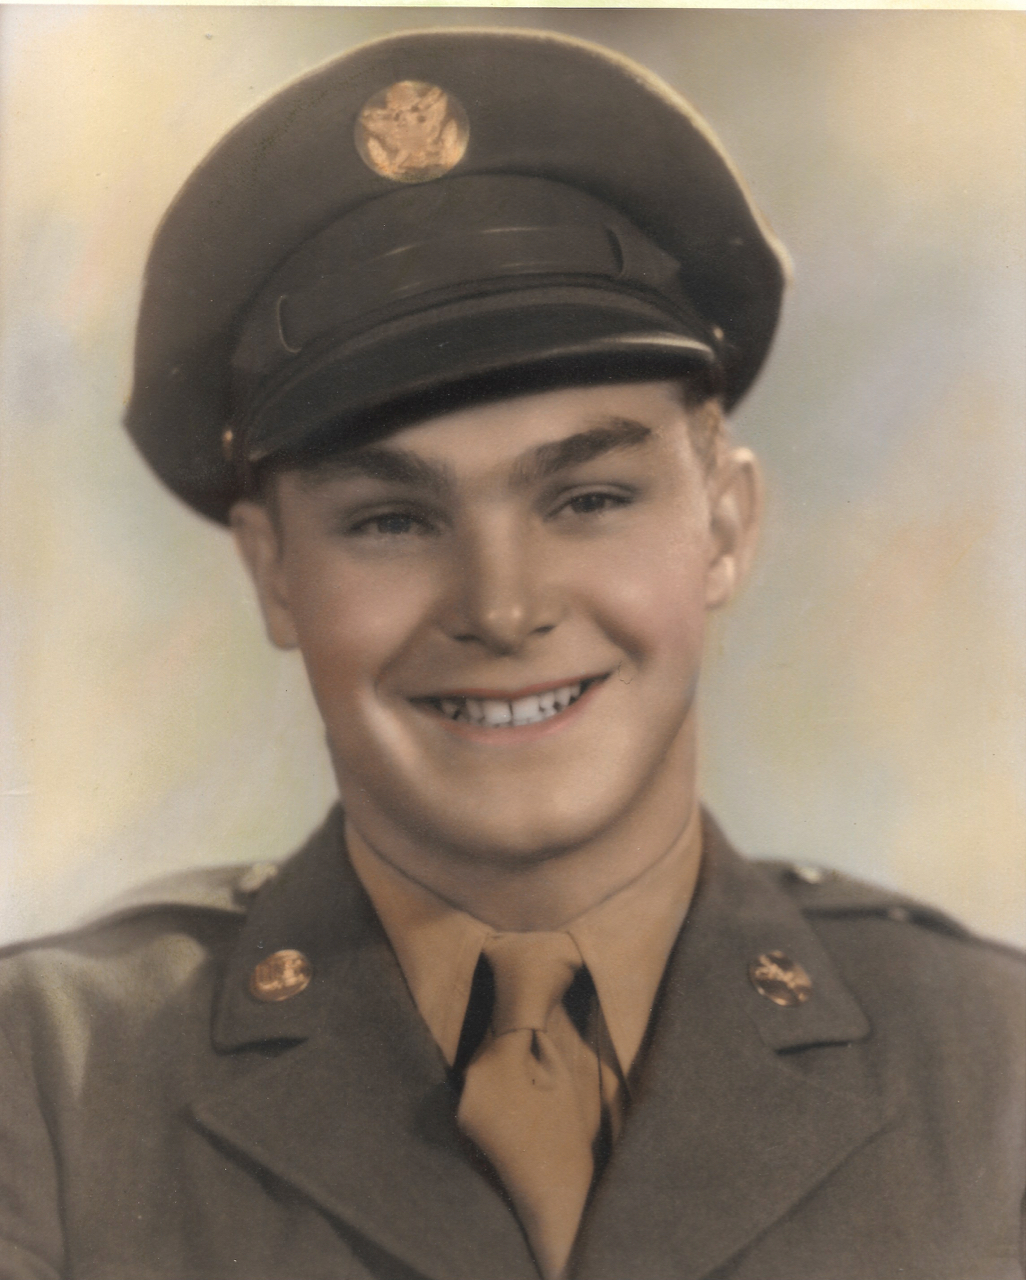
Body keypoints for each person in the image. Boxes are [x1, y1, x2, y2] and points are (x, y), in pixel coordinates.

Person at [0, 28, 1022, 1280]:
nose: (502, 605)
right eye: (392, 520)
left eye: (588, 499)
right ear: (275, 573)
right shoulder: (51, 1081)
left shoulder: (991, 1063)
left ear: (725, 525)